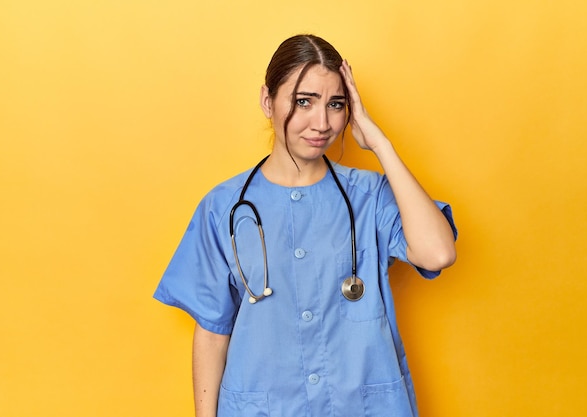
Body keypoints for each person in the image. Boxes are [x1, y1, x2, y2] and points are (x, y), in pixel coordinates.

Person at [154, 34, 457, 417]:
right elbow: (213, 331)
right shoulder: (224, 207)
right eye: (303, 102)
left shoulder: (370, 196)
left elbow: (439, 252)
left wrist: (380, 144)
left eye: (336, 104)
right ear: (268, 102)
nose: (322, 123)